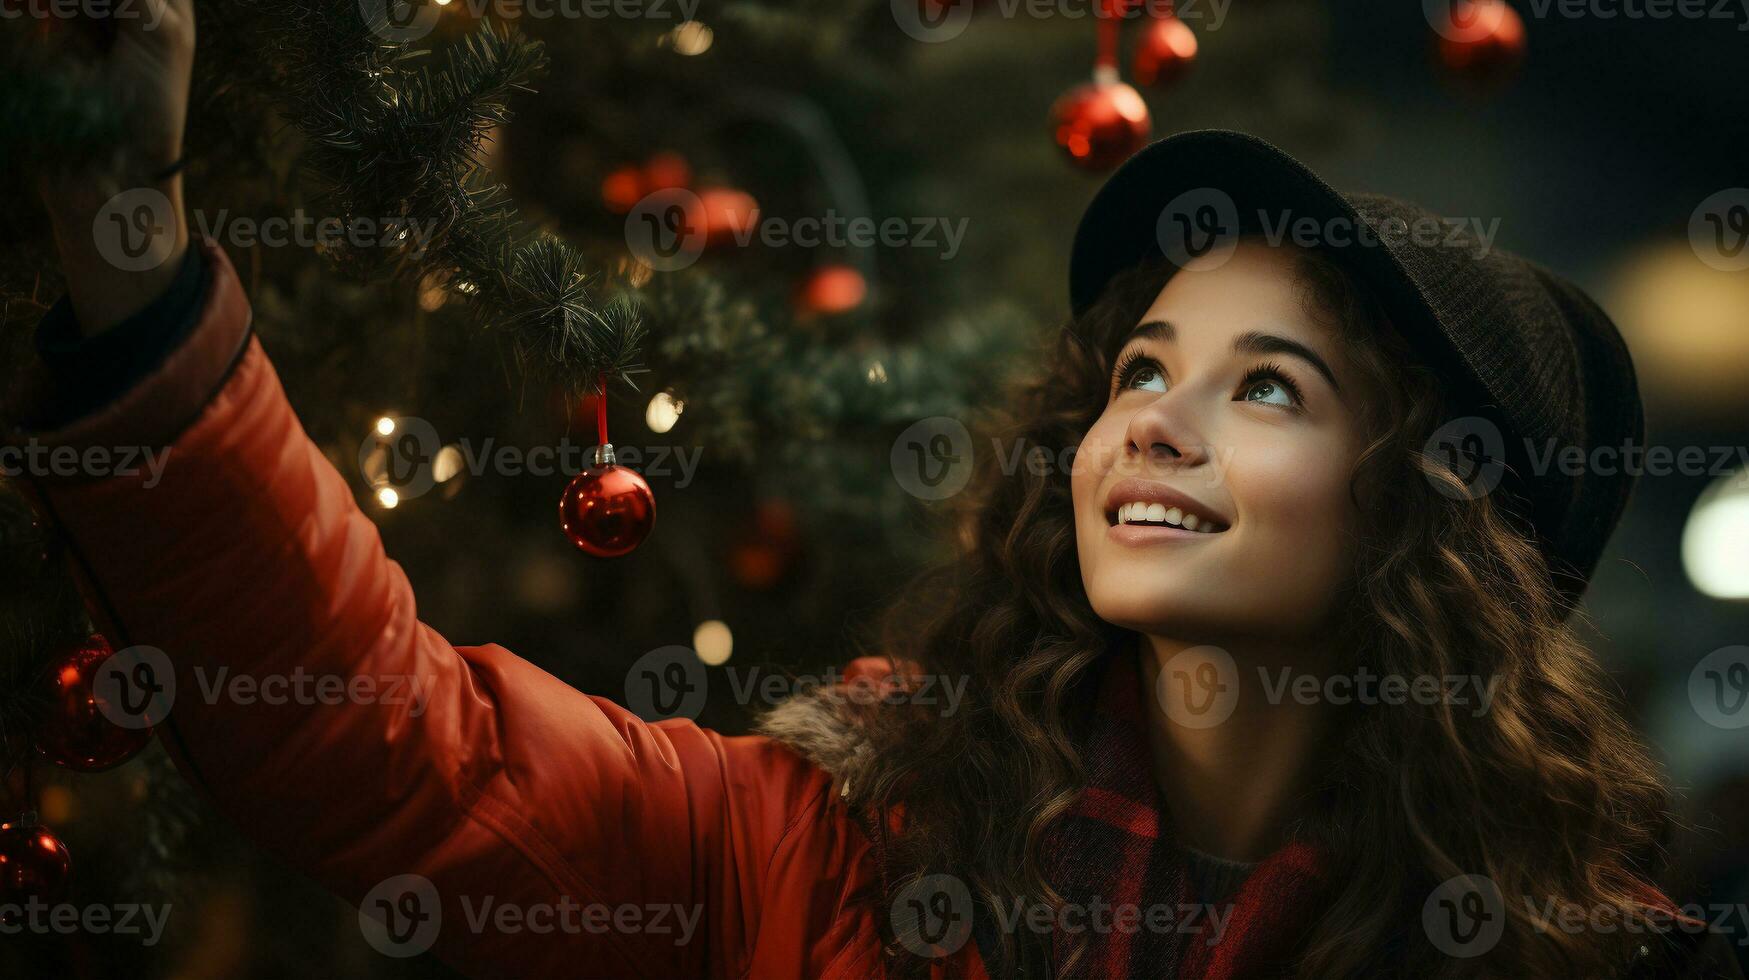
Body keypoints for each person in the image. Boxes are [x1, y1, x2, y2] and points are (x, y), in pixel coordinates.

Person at [13, 4, 1743, 978]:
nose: (1150, 421)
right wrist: (130, 240)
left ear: (1419, 524)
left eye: (1264, 388)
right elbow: (390, 747)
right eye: (1138, 369)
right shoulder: (819, 841)